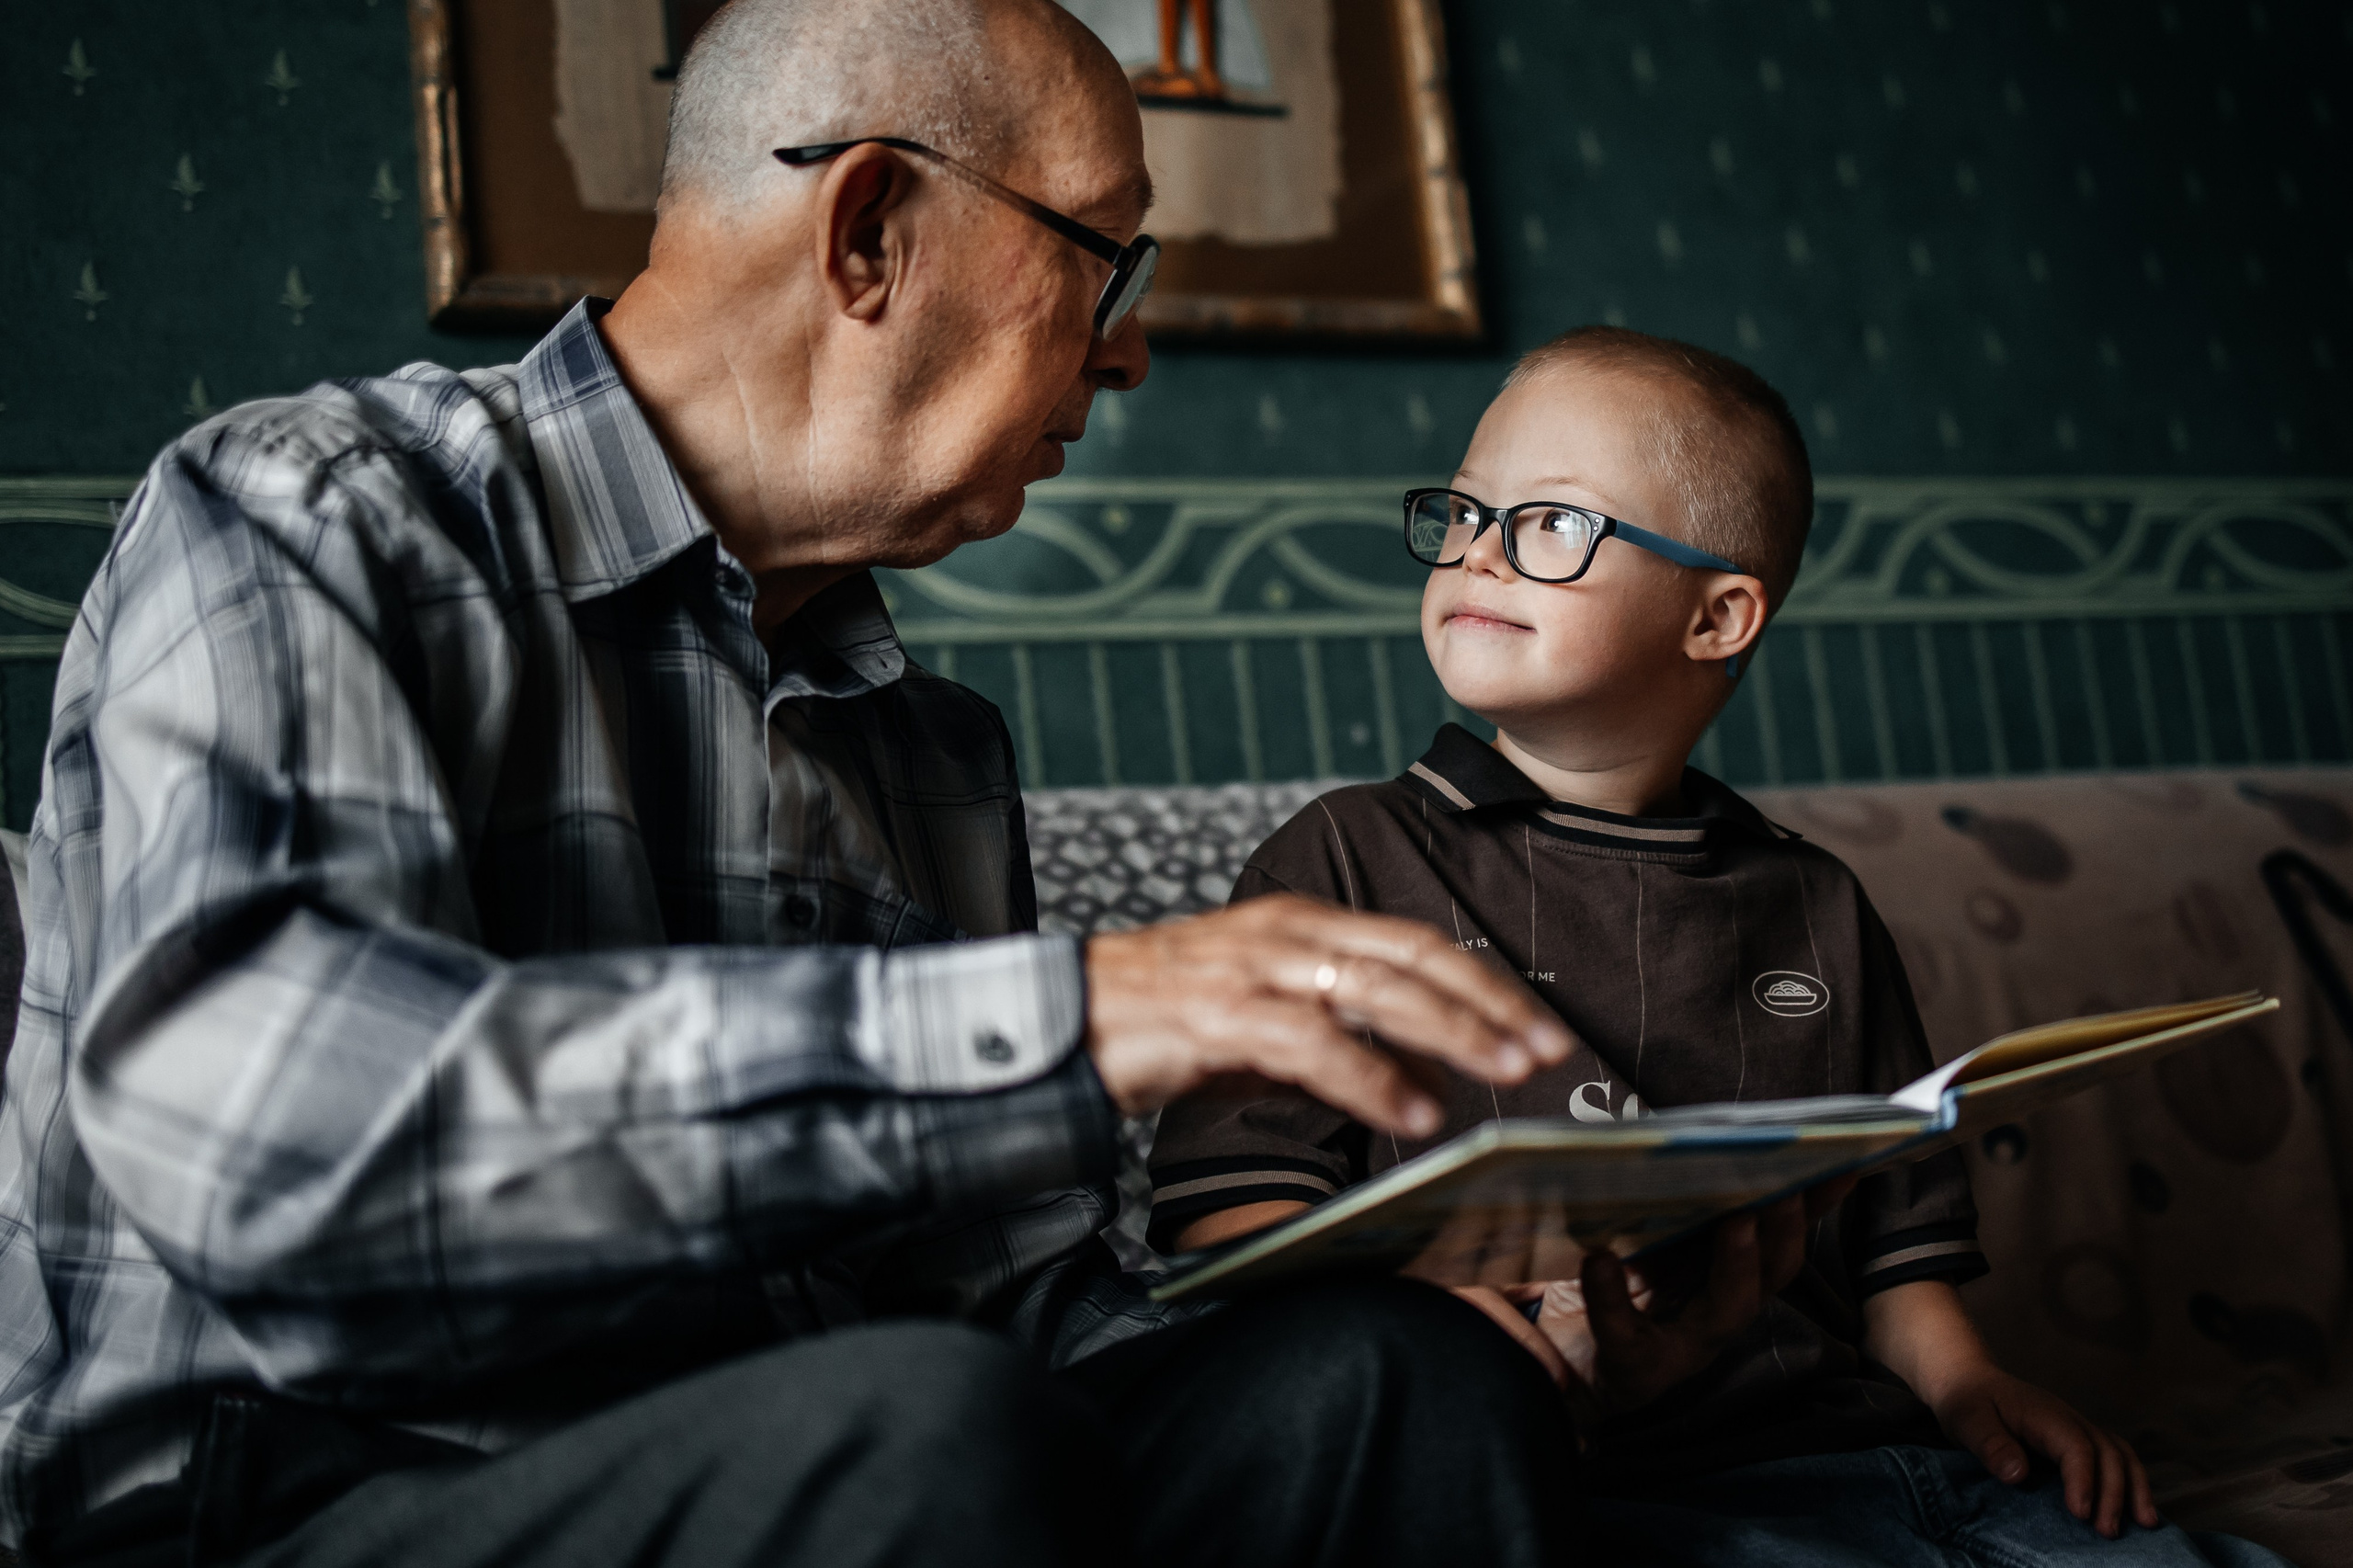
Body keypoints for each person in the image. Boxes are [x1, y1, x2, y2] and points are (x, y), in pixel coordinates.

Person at [0, 8, 1832, 1567]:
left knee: (1398, 1379)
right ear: (870, 230)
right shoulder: (315, 514)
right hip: (295, 1489)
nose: (1128, 347)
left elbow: (1030, 1304)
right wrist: (1073, 1014)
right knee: (929, 1429)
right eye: (1104, 259)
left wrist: (1512, 1324)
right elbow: (268, 1139)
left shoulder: (927, 748)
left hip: (835, 1449)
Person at [1148, 325, 2292, 1567]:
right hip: (1561, 1472)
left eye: (1552, 523)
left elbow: (1896, 1252)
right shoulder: (1338, 858)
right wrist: (1420, 1333)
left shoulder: (1815, 899)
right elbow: (1229, 1205)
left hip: (1871, 1455)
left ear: (1717, 615)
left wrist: (1969, 1387)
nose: (1478, 548)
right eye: (1467, 509)